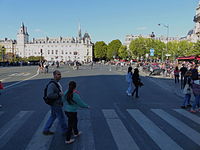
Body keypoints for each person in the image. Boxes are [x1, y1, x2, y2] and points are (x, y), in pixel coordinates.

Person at [43, 70, 67, 135]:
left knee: (53, 116)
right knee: (61, 117)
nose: (60, 76)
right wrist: (59, 94)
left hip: (55, 103)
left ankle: (46, 129)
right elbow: (49, 95)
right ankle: (65, 131)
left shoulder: (56, 83)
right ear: (54, 75)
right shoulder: (52, 84)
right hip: (56, 104)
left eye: (60, 74)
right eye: (58, 74)